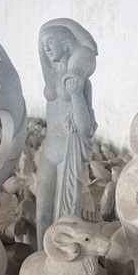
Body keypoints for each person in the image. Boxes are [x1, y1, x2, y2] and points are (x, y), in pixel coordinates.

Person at [35, 19, 98, 250]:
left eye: (50, 42)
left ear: (65, 43)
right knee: (42, 210)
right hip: (49, 150)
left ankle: (63, 257)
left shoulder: (81, 83)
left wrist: (76, 94)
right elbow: (41, 42)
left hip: (67, 153)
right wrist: (48, 30)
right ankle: (42, 256)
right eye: (44, 45)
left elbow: (85, 129)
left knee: (65, 214)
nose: (46, 48)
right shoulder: (50, 76)